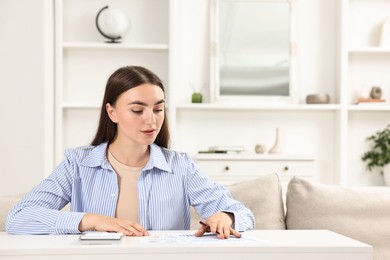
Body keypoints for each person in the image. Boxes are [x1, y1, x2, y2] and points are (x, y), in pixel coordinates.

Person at [6, 66, 255, 239]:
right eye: (137, 110)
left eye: (158, 109)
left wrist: (225, 217)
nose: (151, 120)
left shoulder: (181, 166)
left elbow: (243, 214)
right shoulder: (78, 164)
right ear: (112, 112)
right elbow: (18, 218)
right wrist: (92, 220)